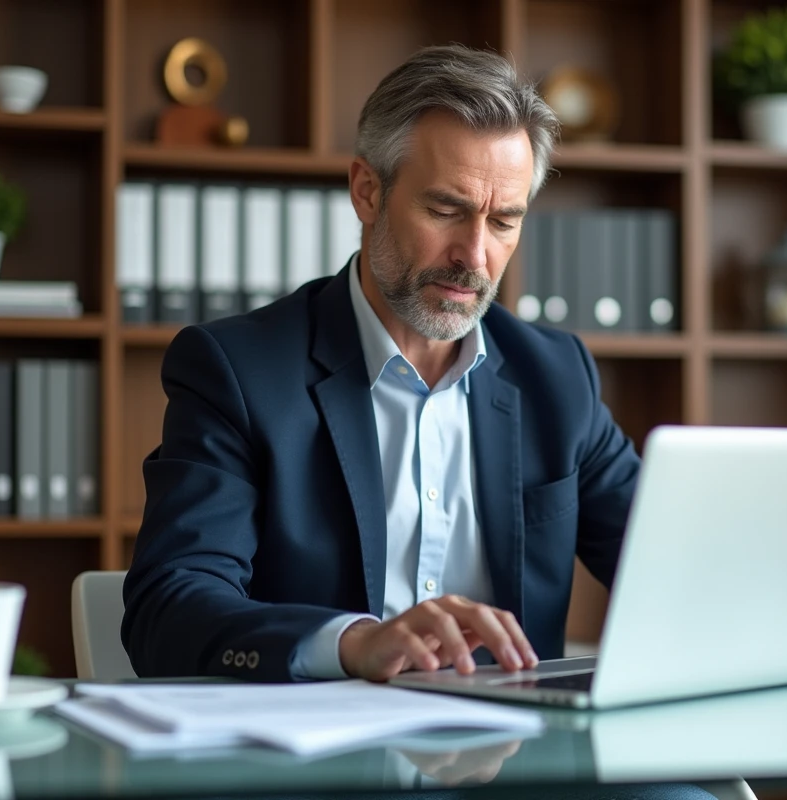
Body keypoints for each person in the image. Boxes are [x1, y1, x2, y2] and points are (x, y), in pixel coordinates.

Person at [121, 43, 642, 685]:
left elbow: (674, 567)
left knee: (686, 793)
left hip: (518, 764)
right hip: (325, 763)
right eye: (445, 210)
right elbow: (167, 610)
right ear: (367, 192)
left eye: (504, 221)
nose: (474, 256)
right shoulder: (237, 371)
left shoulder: (557, 377)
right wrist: (353, 644)